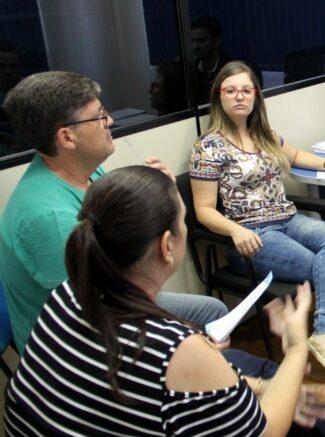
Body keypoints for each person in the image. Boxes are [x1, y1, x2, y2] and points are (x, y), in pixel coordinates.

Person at [4, 166, 325, 437]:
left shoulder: (68, 296)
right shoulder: (177, 350)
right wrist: (297, 346)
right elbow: (263, 436)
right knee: (288, 399)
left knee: (259, 371)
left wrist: (260, 386)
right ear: (168, 246)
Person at [0, 71, 228, 354]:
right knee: (201, 330)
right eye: (98, 116)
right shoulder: (49, 217)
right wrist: (184, 345)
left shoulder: (84, 169)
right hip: (80, 343)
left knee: (212, 312)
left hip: (110, 296)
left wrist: (163, 194)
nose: (109, 121)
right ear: (66, 137)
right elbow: (97, 312)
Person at [189, 61, 325, 382]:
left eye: (246, 90)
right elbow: (204, 210)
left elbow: (293, 155)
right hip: (250, 236)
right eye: (231, 90)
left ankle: (322, 334)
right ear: (219, 96)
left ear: (255, 95)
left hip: (287, 220)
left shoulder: (262, 134)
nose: (239, 96)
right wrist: (235, 229)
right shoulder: (207, 147)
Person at [190, 16, 263, 104]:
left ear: (217, 41)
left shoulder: (238, 70)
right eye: (192, 41)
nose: (195, 46)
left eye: (201, 40)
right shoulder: (191, 71)